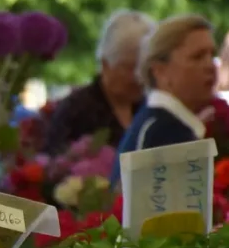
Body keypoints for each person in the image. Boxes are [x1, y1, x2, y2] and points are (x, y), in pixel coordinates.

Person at [111, 14, 217, 185]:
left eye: (212, 55)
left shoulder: (165, 124)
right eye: (197, 57)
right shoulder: (159, 132)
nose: (210, 66)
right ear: (160, 71)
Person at [42, 10, 154, 154]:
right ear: (105, 64)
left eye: (144, 68)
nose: (139, 77)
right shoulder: (76, 111)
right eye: (130, 68)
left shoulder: (151, 108)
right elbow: (55, 165)